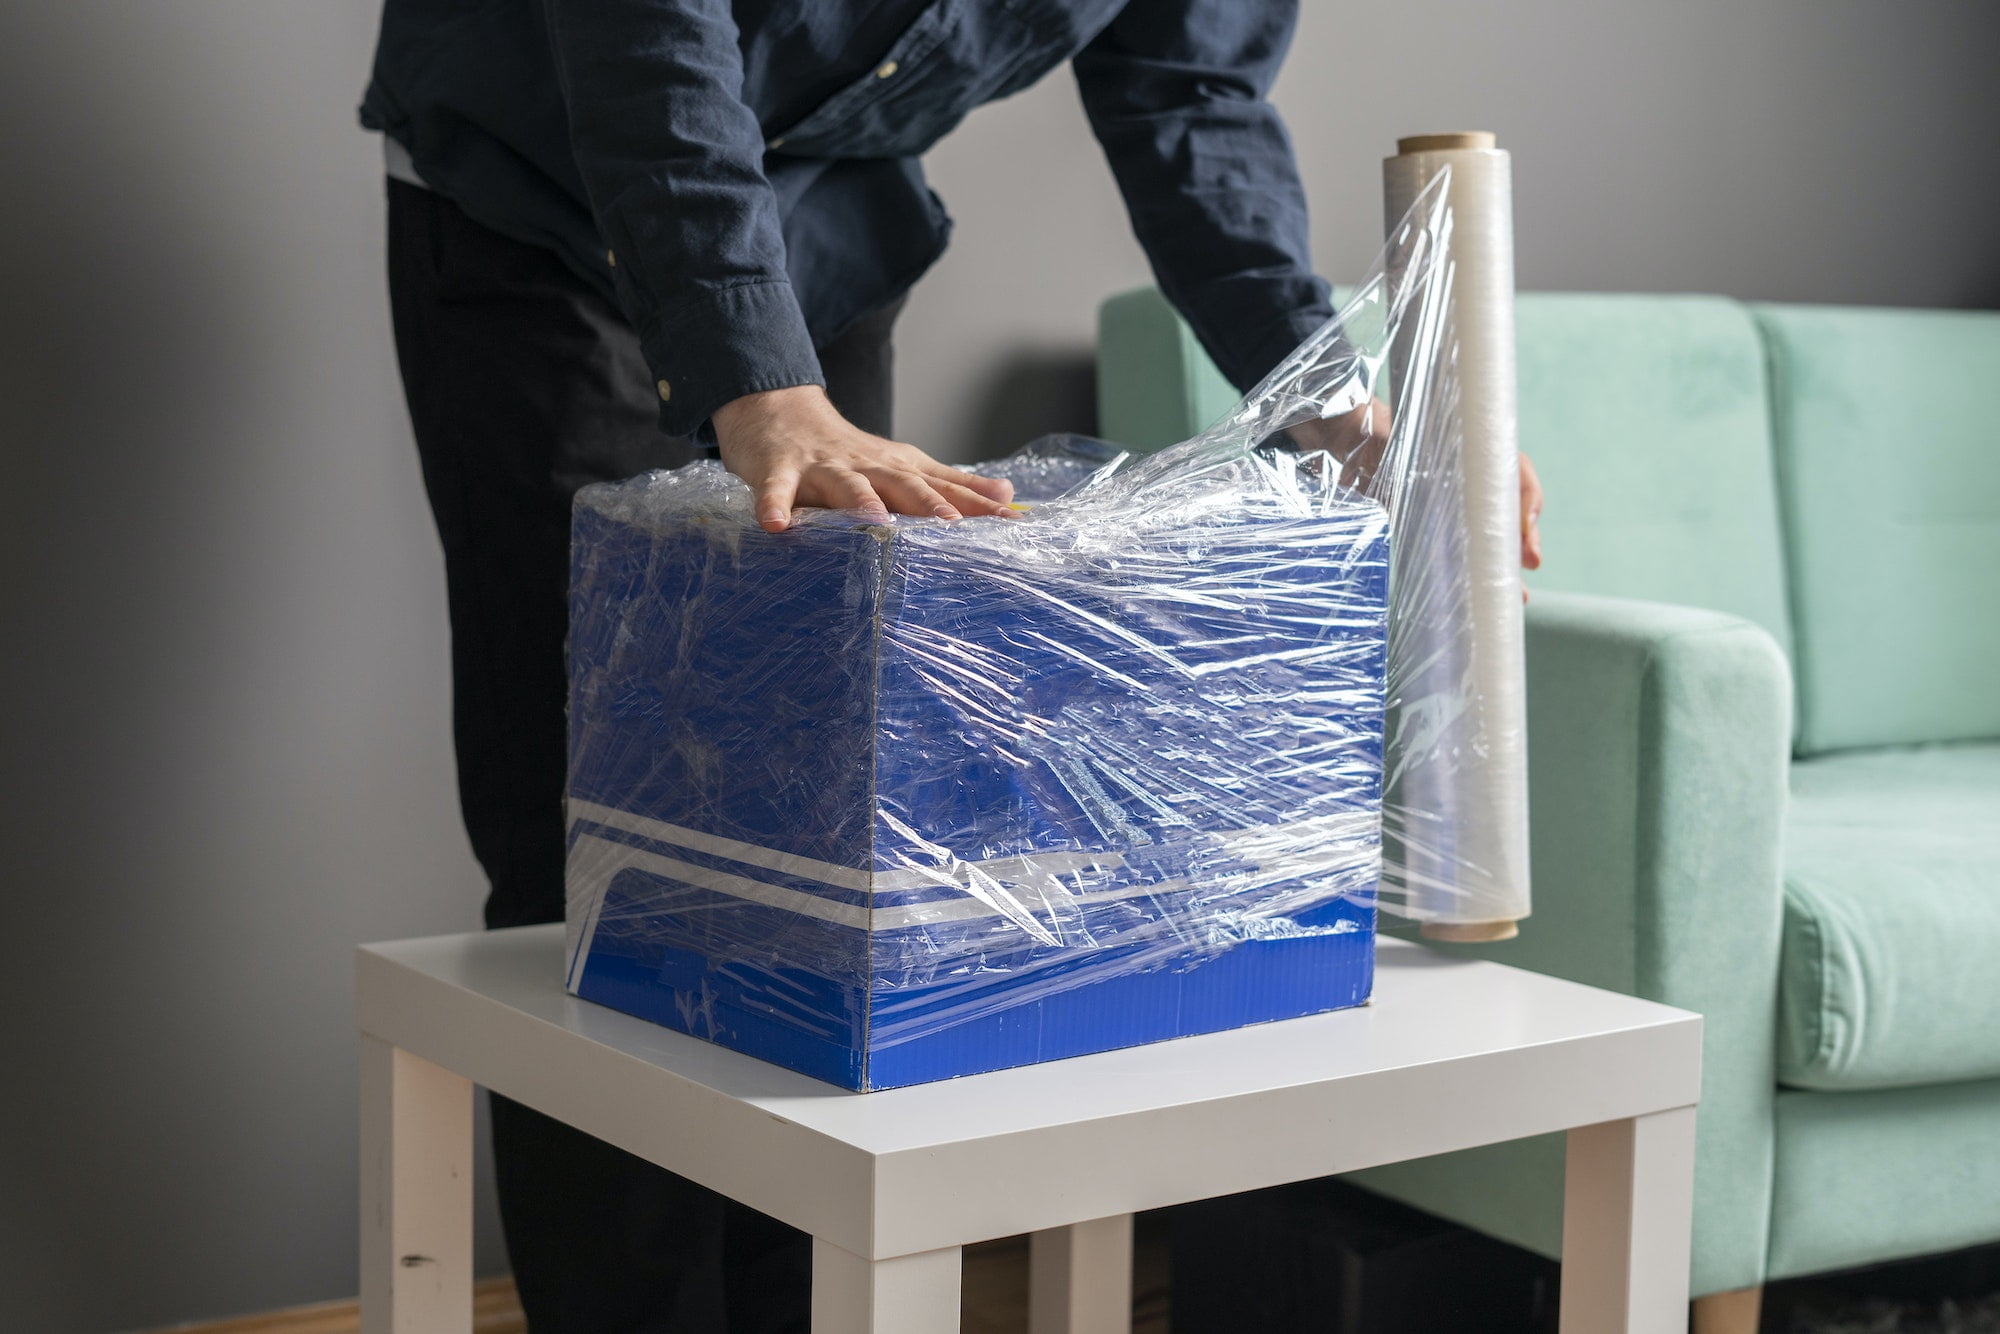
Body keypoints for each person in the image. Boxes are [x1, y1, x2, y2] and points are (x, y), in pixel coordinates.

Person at [361, 2, 1544, 1329]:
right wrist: (755, 374)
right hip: (545, 195)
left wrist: (1331, 393)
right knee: (600, 860)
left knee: (814, 851)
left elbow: (1192, 94)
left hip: (823, 224)